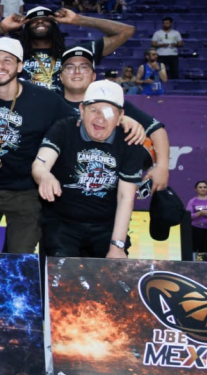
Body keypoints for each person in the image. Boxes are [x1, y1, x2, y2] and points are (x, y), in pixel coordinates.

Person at [0, 38, 76, 253]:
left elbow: (78, 123)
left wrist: (123, 118)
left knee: (18, 260)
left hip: (25, 192)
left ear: (20, 66)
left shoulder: (44, 99)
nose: (0, 66)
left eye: (8, 60)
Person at [33, 81, 148, 259]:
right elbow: (40, 164)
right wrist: (45, 176)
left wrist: (117, 246)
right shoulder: (63, 129)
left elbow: (126, 197)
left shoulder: (130, 142)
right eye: (94, 110)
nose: (100, 119)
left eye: (109, 112)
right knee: (62, 268)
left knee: (112, 271)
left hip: (106, 226)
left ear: (120, 116)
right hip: (63, 222)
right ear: (82, 110)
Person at [59, 46, 169, 192]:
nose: (77, 72)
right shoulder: (50, 104)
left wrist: (162, 167)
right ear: (60, 76)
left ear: (93, 76)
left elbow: (157, 130)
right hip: (60, 190)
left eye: (84, 67)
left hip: (107, 193)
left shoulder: (114, 103)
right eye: (70, 67)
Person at [0, 6, 134, 92]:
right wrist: (1, 27)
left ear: (55, 27)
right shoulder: (10, 56)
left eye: (46, 20)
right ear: (26, 29)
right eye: (34, 21)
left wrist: (79, 19)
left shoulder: (74, 55)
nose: (40, 22)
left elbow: (126, 31)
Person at [186, 181, 207, 260]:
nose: (203, 189)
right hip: (196, 228)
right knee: (196, 250)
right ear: (196, 189)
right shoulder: (192, 201)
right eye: (200, 187)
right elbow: (188, 216)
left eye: (205, 187)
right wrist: (199, 213)